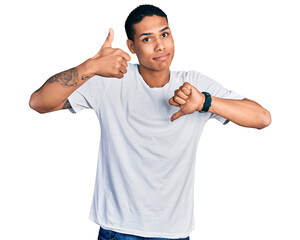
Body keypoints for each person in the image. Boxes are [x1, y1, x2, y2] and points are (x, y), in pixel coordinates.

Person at [29, 4, 271, 240]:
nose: (160, 45)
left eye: (165, 34)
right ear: (131, 47)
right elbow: (39, 102)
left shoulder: (193, 84)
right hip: (117, 229)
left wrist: (205, 102)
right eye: (147, 39)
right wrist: (90, 66)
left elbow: (262, 118)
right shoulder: (110, 81)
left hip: (174, 233)